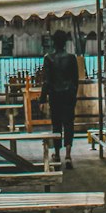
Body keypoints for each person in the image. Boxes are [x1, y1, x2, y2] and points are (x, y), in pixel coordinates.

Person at [40, 29, 80, 169]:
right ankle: (68, 155)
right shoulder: (71, 58)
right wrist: (74, 94)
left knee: (56, 124)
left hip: (55, 96)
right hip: (69, 95)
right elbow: (76, 80)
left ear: (53, 42)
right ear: (65, 42)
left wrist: (42, 99)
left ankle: (57, 154)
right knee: (69, 124)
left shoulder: (48, 58)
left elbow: (47, 80)